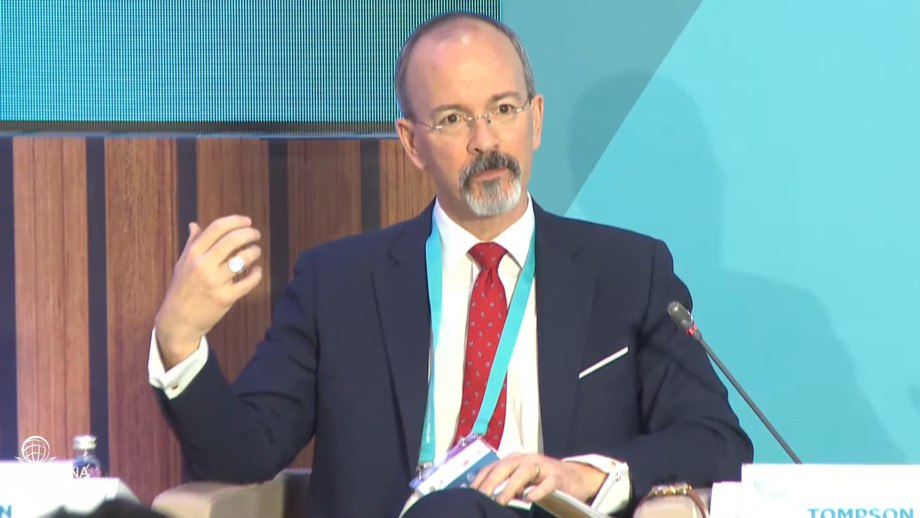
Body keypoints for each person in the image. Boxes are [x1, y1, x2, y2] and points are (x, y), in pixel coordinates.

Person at [148, 12, 752, 518]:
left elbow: (717, 440)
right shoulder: (339, 285)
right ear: (412, 142)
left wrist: (581, 474)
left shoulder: (628, 273)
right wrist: (180, 340)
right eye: (455, 119)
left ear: (536, 119)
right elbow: (242, 455)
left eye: (504, 109)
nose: (485, 141)